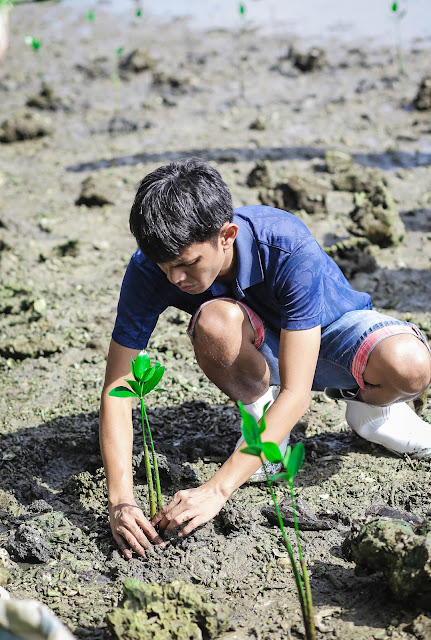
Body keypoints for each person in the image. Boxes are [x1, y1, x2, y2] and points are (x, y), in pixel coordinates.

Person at [99, 156, 431, 559]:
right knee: (215, 322)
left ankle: (371, 413)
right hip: (256, 347)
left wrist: (216, 490)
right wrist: (121, 500)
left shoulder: (284, 242)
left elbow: (296, 392)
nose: (174, 280)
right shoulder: (151, 268)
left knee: (410, 364)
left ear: (227, 234)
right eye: (163, 267)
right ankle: (261, 423)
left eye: (187, 265)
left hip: (332, 335)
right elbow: (117, 387)